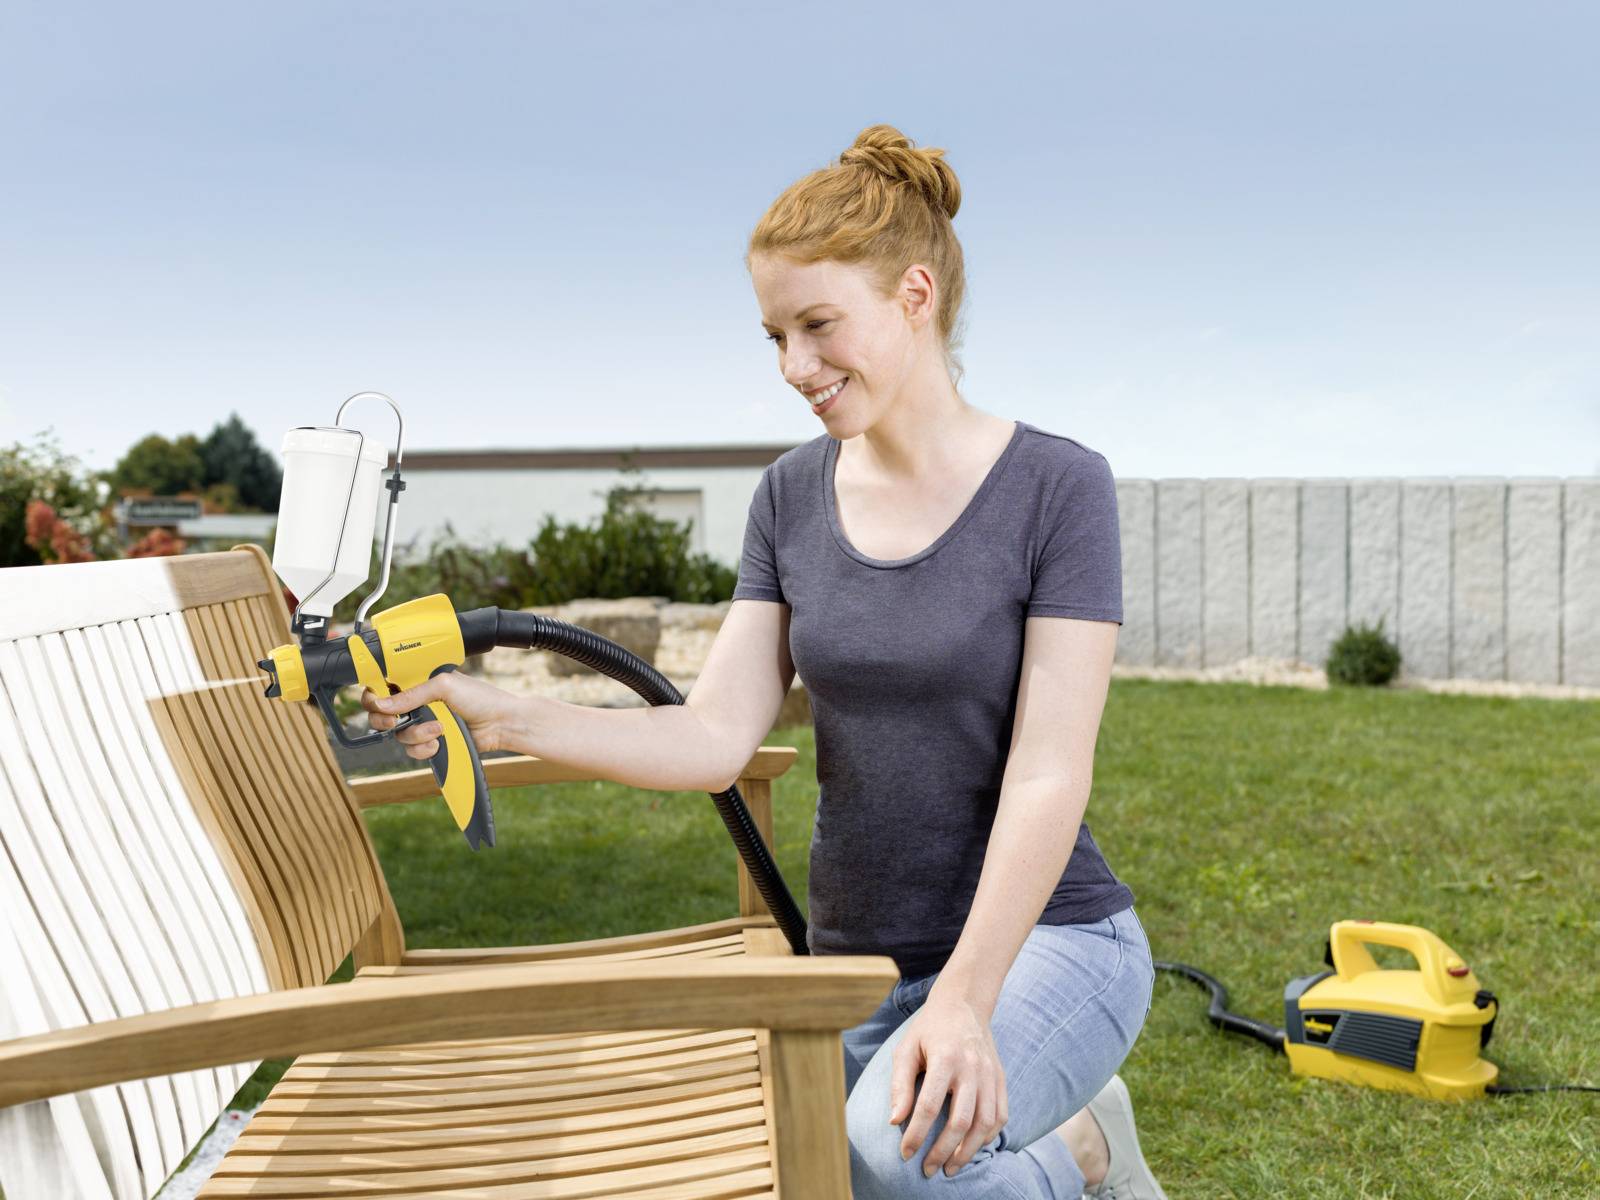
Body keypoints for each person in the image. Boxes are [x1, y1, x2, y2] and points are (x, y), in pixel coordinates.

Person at [362, 122, 1168, 1200]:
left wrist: (966, 1001)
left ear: (915, 295)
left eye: (819, 325)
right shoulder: (790, 496)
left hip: (1043, 942)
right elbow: (710, 734)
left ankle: (1081, 1155)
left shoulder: (1055, 489)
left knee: (895, 1169)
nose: (795, 368)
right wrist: (494, 714)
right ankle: (1061, 1141)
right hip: (855, 957)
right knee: (798, 1169)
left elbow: (1048, 771)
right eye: (775, 336)